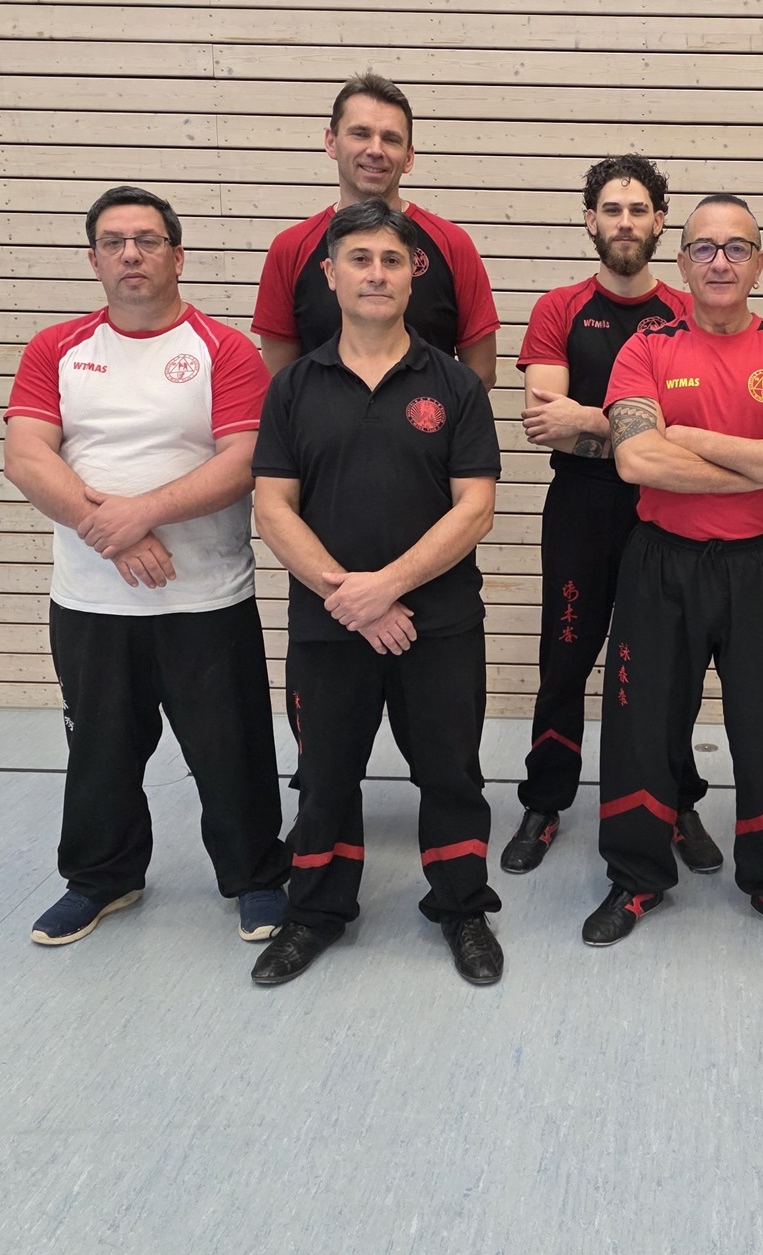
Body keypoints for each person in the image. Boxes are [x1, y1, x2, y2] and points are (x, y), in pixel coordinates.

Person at [2, 185, 289, 947]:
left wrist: (143, 511)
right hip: (91, 600)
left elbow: (244, 460)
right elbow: (26, 455)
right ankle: (103, 878)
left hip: (205, 598)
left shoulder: (223, 349)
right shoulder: (56, 348)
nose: (131, 254)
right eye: (114, 242)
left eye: (148, 240)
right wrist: (115, 532)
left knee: (231, 752)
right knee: (99, 750)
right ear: (94, 259)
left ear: (177, 255)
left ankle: (256, 876)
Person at [249, 199, 504, 987]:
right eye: (359, 259)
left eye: (392, 260)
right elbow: (272, 506)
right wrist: (350, 599)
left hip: (441, 625)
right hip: (329, 627)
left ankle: (462, 906)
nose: (376, 273)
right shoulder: (293, 387)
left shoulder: (456, 385)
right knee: (325, 776)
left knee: (451, 774)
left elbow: (476, 507)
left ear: (412, 275)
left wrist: (387, 588)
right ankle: (316, 910)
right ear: (330, 275)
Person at [584, 194, 763, 955]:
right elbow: (637, 458)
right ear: (682, 261)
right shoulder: (646, 348)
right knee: (641, 722)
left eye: (737, 248)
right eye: (704, 248)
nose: (720, 261)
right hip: (662, 561)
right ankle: (635, 877)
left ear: (760, 263)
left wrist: (689, 437)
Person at [502, 155, 719, 877]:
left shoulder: (688, 311)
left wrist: (595, 422)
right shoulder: (559, 309)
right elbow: (547, 425)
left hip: (666, 508)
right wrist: (642, 433)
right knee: (565, 658)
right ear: (590, 220)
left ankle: (677, 799)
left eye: (639, 210)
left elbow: (699, 424)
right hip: (583, 510)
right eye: (612, 209)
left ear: (661, 222)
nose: (625, 222)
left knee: (668, 666)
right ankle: (545, 800)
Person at [252, 73, 499, 390]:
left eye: (391, 139)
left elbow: (480, 374)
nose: (375, 149)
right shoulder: (291, 248)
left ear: (408, 157)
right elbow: (279, 379)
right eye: (361, 134)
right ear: (331, 142)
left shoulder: (452, 245)